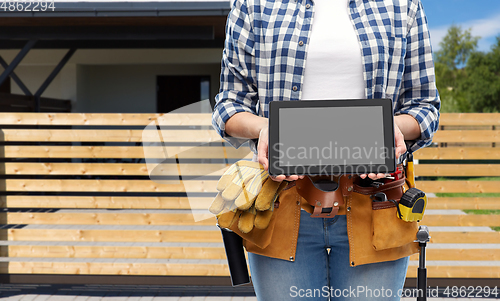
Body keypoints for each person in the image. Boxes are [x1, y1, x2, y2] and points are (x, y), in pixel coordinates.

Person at [212, 0, 440, 299]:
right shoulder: (254, 5)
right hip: (282, 200)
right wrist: (263, 128)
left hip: (376, 202)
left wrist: (390, 128)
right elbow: (229, 105)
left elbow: (425, 107)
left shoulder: (402, 5)